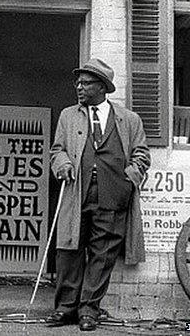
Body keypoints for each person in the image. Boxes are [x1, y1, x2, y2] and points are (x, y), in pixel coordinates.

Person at [46, 58, 150, 331]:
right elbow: (57, 150)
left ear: (102, 87)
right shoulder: (69, 115)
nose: (79, 87)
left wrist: (130, 176)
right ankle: (65, 309)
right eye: (78, 82)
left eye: (86, 83)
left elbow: (142, 153)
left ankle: (89, 310)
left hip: (114, 194)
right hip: (77, 191)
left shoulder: (129, 119)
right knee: (69, 250)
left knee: (103, 254)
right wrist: (63, 164)